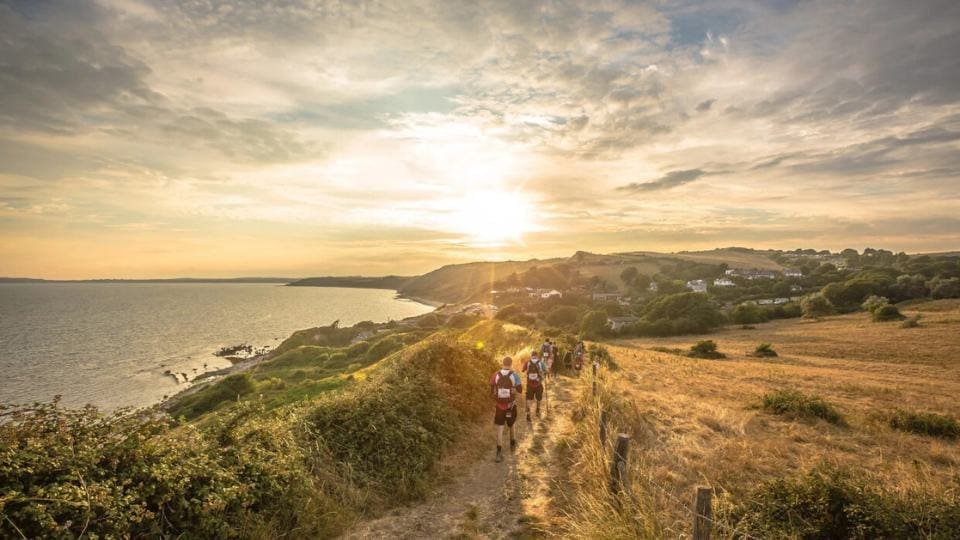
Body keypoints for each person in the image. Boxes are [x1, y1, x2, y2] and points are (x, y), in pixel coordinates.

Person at [490, 356, 522, 462]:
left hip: (499, 406)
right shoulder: (515, 375)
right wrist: (513, 389)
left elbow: (492, 390)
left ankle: (498, 452)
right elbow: (520, 390)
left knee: (500, 428)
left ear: (502, 363)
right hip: (510, 405)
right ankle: (512, 443)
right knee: (511, 423)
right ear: (511, 364)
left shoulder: (496, 374)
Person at [522, 351, 547, 421]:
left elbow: (523, 370)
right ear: (537, 355)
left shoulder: (527, 362)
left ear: (531, 355)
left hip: (529, 384)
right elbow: (546, 370)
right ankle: (538, 410)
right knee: (539, 398)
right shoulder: (541, 362)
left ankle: (528, 413)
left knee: (528, 399)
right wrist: (543, 372)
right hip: (538, 384)